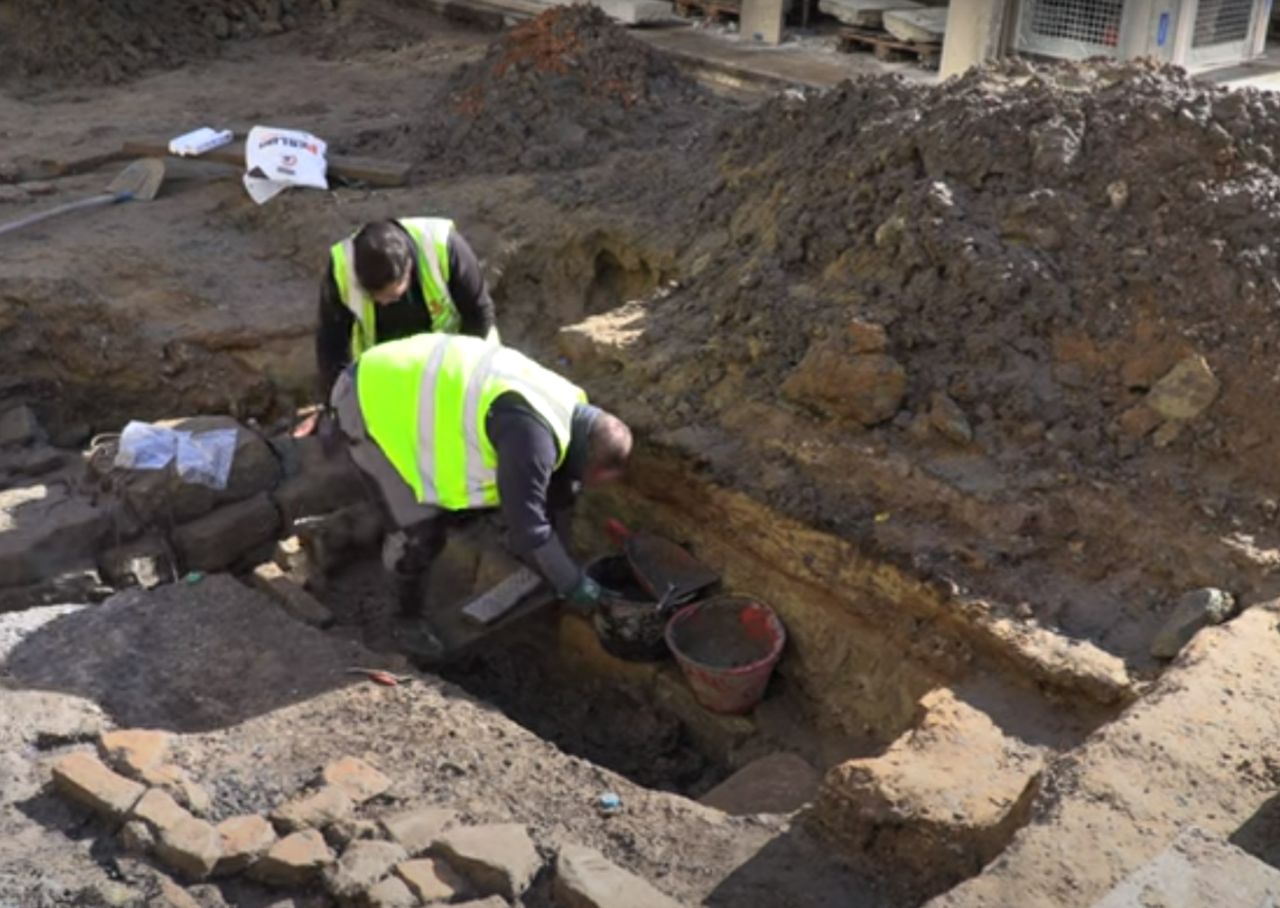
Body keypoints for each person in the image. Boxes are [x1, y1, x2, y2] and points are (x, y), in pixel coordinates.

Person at [328, 332, 632, 656]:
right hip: (367, 397)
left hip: (415, 383)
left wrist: (556, 564)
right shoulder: (530, 437)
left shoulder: (573, 410)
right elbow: (529, 528)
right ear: (585, 456)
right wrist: (573, 586)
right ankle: (405, 621)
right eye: (587, 477)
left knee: (475, 507)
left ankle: (376, 517)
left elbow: (558, 492)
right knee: (418, 532)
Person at [315, 217, 497, 400]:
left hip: (452, 359)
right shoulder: (341, 269)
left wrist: (454, 370)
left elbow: (479, 314)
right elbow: (331, 344)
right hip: (385, 370)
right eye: (373, 298)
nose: (383, 303)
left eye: (392, 296)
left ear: (408, 268)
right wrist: (340, 399)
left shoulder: (443, 247)